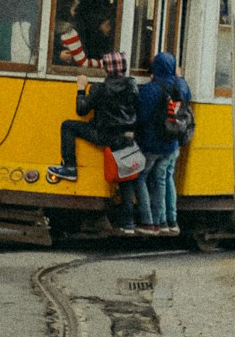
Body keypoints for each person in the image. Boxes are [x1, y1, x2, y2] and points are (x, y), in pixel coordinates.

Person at [48, 53, 143, 234]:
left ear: (107, 69)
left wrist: (81, 88)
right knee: (126, 179)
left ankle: (69, 167)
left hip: (103, 135)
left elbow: (82, 110)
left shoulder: (100, 89)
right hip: (125, 137)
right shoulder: (133, 87)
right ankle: (129, 223)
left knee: (68, 126)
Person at [136, 49, 193, 234]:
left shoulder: (151, 89)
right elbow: (185, 96)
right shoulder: (181, 87)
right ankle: (168, 221)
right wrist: (180, 75)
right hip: (172, 143)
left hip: (152, 143)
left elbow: (142, 116)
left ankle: (149, 221)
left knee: (141, 177)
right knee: (163, 178)